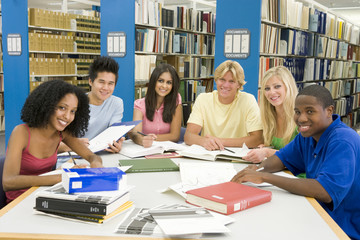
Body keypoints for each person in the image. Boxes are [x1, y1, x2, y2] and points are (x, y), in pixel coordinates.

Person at [231, 85, 360, 239]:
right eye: (297, 112)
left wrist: (264, 177)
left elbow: (325, 191)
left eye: (310, 111)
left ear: (329, 111)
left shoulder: (342, 140)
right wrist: (258, 169)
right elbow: (280, 159)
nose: (301, 118)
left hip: (342, 228)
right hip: (317, 215)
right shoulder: (308, 136)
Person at [3, 80, 103, 203]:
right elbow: (8, 182)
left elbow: (92, 156)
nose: (67, 116)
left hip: (46, 195)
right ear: (47, 105)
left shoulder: (61, 133)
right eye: (62, 108)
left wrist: (96, 166)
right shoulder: (21, 133)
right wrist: (60, 177)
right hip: (20, 202)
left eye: (73, 111)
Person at [184, 60, 263, 150]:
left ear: (239, 84)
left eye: (231, 81)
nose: (226, 85)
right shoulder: (203, 99)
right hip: (209, 154)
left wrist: (219, 142)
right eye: (222, 79)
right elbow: (188, 136)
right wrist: (204, 141)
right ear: (216, 80)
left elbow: (257, 139)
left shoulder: (248, 100)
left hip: (237, 156)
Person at [59, 56, 124, 153]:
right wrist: (74, 145)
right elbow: (53, 143)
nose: (106, 88)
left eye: (110, 83)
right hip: (71, 156)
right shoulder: (74, 103)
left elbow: (114, 132)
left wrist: (117, 143)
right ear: (90, 81)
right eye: (101, 82)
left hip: (100, 154)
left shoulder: (117, 103)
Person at [242, 66, 298, 163]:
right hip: (279, 171)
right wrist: (267, 147)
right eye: (267, 88)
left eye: (277, 86)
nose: (272, 92)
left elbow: (301, 157)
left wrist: (267, 152)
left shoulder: (300, 118)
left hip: (298, 175)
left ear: (288, 87)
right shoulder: (269, 118)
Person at [129, 63, 182, 147]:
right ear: (154, 81)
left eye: (169, 82)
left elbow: (175, 136)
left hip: (167, 150)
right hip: (145, 149)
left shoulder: (176, 100)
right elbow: (136, 133)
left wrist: (150, 138)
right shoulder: (139, 104)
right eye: (160, 81)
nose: (164, 86)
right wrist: (143, 140)